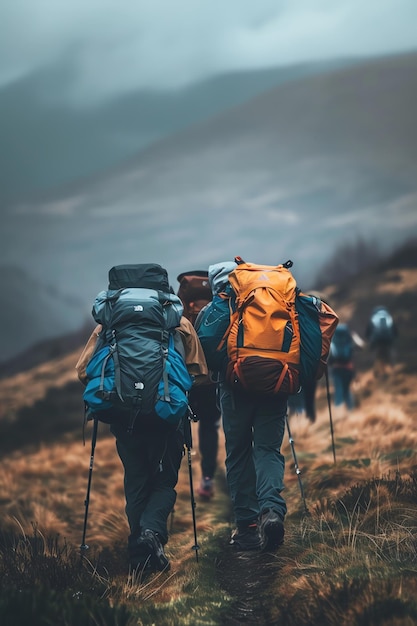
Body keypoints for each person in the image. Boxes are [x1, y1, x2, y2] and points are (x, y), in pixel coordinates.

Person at [76, 271, 208, 576]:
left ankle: (140, 553)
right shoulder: (177, 321)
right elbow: (199, 372)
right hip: (166, 418)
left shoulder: (109, 324)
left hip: (124, 418)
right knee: (163, 482)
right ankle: (151, 537)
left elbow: (83, 372)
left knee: (136, 482)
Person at [202, 261, 288, 552]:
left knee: (238, 454)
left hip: (235, 392)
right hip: (275, 386)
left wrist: (228, 371)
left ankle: (248, 529)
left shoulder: (216, 308)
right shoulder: (267, 297)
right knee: (267, 450)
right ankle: (272, 510)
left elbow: (206, 355)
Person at [176, 270, 221, 501]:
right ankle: (207, 479)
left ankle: (173, 479)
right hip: (211, 380)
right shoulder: (214, 305)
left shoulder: (180, 311)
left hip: (186, 380)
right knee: (209, 428)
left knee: (178, 425)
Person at [328, 323, 365, 412]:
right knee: (347, 390)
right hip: (348, 368)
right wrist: (354, 336)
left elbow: (328, 355)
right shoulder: (348, 338)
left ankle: (339, 412)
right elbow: (361, 346)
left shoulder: (333, 338)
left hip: (337, 369)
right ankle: (350, 411)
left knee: (339, 391)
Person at [365, 305, 398, 378]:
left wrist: (370, 340)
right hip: (388, 340)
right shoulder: (389, 317)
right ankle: (393, 371)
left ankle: (381, 373)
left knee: (379, 357)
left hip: (377, 342)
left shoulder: (373, 318)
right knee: (390, 354)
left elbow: (368, 332)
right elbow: (395, 330)